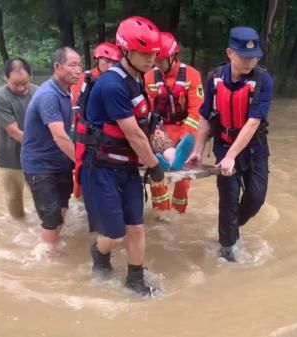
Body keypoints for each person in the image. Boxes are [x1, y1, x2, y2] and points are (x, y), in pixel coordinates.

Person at [79, 16, 165, 296]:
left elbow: (144, 124)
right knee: (115, 234)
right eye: (145, 53)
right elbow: (133, 135)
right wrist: (154, 166)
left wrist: (158, 137)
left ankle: (135, 281)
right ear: (126, 50)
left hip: (127, 168)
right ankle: (98, 253)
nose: (151, 58)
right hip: (102, 167)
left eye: (154, 53)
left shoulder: (138, 79)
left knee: (137, 228)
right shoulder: (112, 85)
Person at [187, 27, 273, 262]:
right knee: (228, 200)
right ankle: (227, 252)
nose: (250, 61)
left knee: (256, 198)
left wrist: (233, 156)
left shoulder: (262, 80)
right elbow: (205, 115)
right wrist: (197, 150)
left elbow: (254, 121)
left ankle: (232, 226)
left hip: (254, 148)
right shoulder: (215, 77)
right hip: (224, 145)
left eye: (254, 56)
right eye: (245, 56)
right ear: (229, 53)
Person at [21, 47, 81, 252]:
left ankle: (52, 243)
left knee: (63, 207)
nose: (78, 70)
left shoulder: (66, 93)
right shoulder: (48, 95)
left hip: (59, 162)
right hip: (40, 166)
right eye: (72, 65)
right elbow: (59, 135)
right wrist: (81, 162)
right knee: (52, 213)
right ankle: (43, 258)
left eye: (79, 65)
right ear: (57, 67)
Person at [144, 32, 203, 213]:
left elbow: (196, 112)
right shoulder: (149, 77)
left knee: (183, 181)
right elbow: (147, 109)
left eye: (161, 59)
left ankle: (178, 214)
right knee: (157, 180)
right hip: (160, 128)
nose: (157, 62)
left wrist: (187, 138)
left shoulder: (192, 75)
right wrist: (155, 131)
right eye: (155, 58)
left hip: (185, 130)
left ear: (173, 56)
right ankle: (162, 214)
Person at [71, 42, 122, 198]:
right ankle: (79, 201)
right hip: (85, 134)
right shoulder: (84, 79)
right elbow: (75, 106)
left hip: (109, 135)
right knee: (80, 172)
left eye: (113, 62)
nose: (109, 65)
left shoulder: (119, 80)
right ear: (97, 60)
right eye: (105, 60)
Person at [0, 57, 37, 219]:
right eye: (16, 84)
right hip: (10, 157)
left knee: (42, 193)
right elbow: (15, 132)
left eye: (25, 82)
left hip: (36, 156)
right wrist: (43, 147)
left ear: (30, 76)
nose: (22, 87)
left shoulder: (38, 92)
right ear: (6, 78)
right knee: (14, 196)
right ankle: (19, 226)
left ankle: (46, 225)